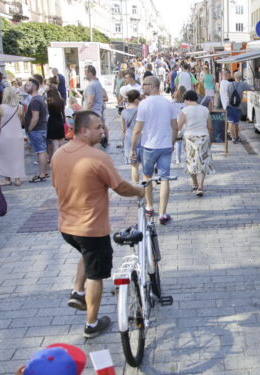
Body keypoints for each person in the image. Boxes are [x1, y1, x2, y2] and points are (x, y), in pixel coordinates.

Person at [50, 111, 145, 338]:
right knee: (97, 274)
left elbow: (56, 184)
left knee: (87, 254)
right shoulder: (97, 158)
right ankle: (91, 324)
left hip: (66, 226)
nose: (102, 131)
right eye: (98, 127)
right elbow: (120, 187)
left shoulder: (59, 154)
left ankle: (77, 291)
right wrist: (140, 191)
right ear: (83, 130)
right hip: (91, 228)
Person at [130, 76, 178, 225]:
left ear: (152, 86)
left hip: (149, 146)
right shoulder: (168, 103)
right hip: (164, 146)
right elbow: (175, 127)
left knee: (147, 177)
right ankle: (163, 214)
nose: (142, 87)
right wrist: (172, 142)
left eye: (144, 84)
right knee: (164, 179)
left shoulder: (144, 104)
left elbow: (137, 130)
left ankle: (149, 206)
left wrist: (132, 148)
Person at [178, 90, 213, 196]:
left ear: (187, 99)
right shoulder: (205, 109)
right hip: (204, 137)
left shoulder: (185, 110)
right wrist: (210, 139)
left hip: (190, 138)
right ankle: (200, 186)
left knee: (191, 161)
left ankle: (194, 183)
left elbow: (179, 126)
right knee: (202, 161)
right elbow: (210, 127)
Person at [0, 87, 25, 186]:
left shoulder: (0, 107)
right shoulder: (19, 107)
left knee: (5, 157)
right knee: (17, 157)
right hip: (17, 135)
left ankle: (7, 179)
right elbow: (21, 123)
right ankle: (17, 179)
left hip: (5, 135)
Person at [23, 78, 50, 182]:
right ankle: (43, 172)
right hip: (40, 128)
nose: (26, 87)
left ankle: (42, 174)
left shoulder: (35, 100)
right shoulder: (39, 98)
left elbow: (35, 117)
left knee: (40, 151)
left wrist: (29, 128)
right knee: (42, 150)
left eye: (28, 85)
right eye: (25, 85)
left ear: (34, 87)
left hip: (36, 130)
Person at [82, 65, 109, 147]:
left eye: (85, 72)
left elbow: (90, 101)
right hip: (97, 111)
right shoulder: (97, 83)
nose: (84, 74)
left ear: (90, 74)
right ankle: (104, 140)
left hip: (92, 113)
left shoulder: (91, 85)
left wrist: (84, 113)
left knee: (93, 131)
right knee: (100, 127)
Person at [226, 71, 254, 144]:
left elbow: (227, 94)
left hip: (230, 106)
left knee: (230, 122)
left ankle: (233, 138)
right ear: (241, 78)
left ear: (234, 77)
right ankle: (237, 137)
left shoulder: (229, 84)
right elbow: (252, 88)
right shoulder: (242, 84)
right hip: (238, 107)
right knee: (236, 123)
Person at [121, 90, 142, 183]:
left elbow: (123, 129)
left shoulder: (124, 112)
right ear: (137, 99)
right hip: (141, 137)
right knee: (146, 165)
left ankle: (136, 185)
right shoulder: (141, 110)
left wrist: (123, 141)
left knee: (134, 166)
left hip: (129, 138)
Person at [46, 86, 66, 157]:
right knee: (61, 142)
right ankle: (62, 159)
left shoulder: (49, 101)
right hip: (60, 121)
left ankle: (56, 160)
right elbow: (63, 112)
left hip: (52, 122)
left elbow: (47, 113)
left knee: (55, 144)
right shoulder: (61, 101)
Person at [172, 86, 187, 165]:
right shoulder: (186, 103)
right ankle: (187, 157)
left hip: (176, 123)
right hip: (185, 124)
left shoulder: (173, 103)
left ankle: (178, 158)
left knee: (178, 142)